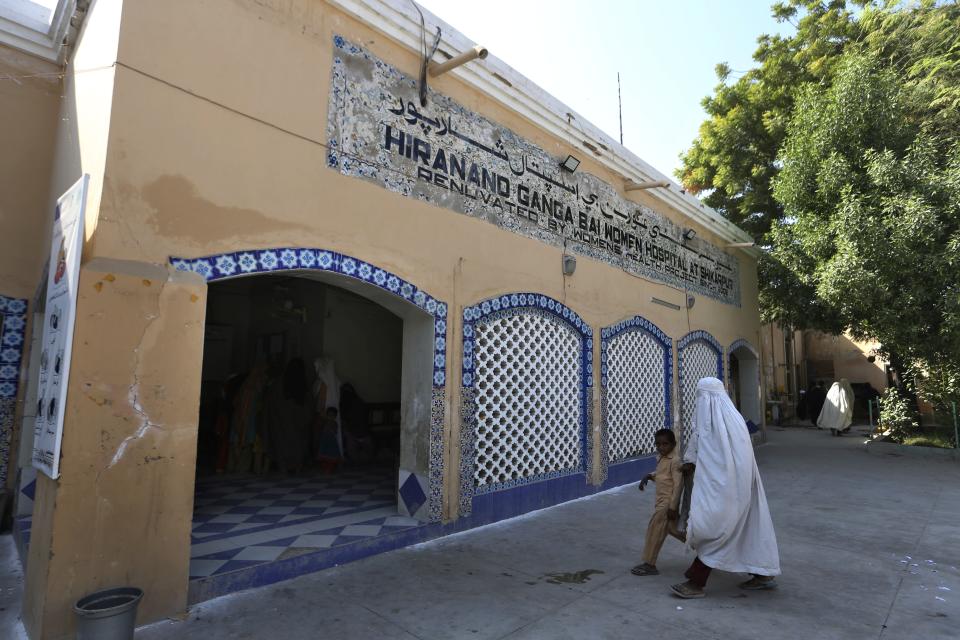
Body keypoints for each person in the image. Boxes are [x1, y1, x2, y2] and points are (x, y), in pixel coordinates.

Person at [671, 377, 781, 599]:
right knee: (747, 531)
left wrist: (691, 464)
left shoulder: (715, 425)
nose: (700, 402)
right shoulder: (734, 419)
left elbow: (706, 452)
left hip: (725, 489)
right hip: (742, 487)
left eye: (701, 397)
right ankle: (762, 574)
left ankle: (696, 582)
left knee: (716, 530)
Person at [631, 429, 685, 576]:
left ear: (673, 444)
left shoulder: (675, 461)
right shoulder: (661, 458)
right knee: (677, 531)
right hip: (661, 502)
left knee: (654, 531)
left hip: (666, 505)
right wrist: (649, 476)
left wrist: (673, 507)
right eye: (658, 444)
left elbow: (678, 485)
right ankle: (705, 551)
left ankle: (649, 564)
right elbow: (662, 476)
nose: (661, 447)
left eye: (665, 444)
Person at [267, 358, 313, 475]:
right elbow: (308, 407)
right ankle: (297, 468)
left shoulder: (278, 384)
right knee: (298, 445)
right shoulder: (302, 383)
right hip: (298, 425)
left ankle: (283, 468)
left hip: (280, 424)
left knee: (282, 444)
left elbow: (271, 404)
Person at [316, 407, 344, 474]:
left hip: (331, 442)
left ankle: (332, 468)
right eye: (329, 415)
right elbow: (321, 429)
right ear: (327, 415)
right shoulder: (324, 422)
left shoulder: (334, 423)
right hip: (324, 441)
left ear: (335, 416)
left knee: (332, 456)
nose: (330, 417)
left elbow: (335, 431)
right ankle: (325, 468)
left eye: (332, 416)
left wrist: (331, 429)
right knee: (324, 457)